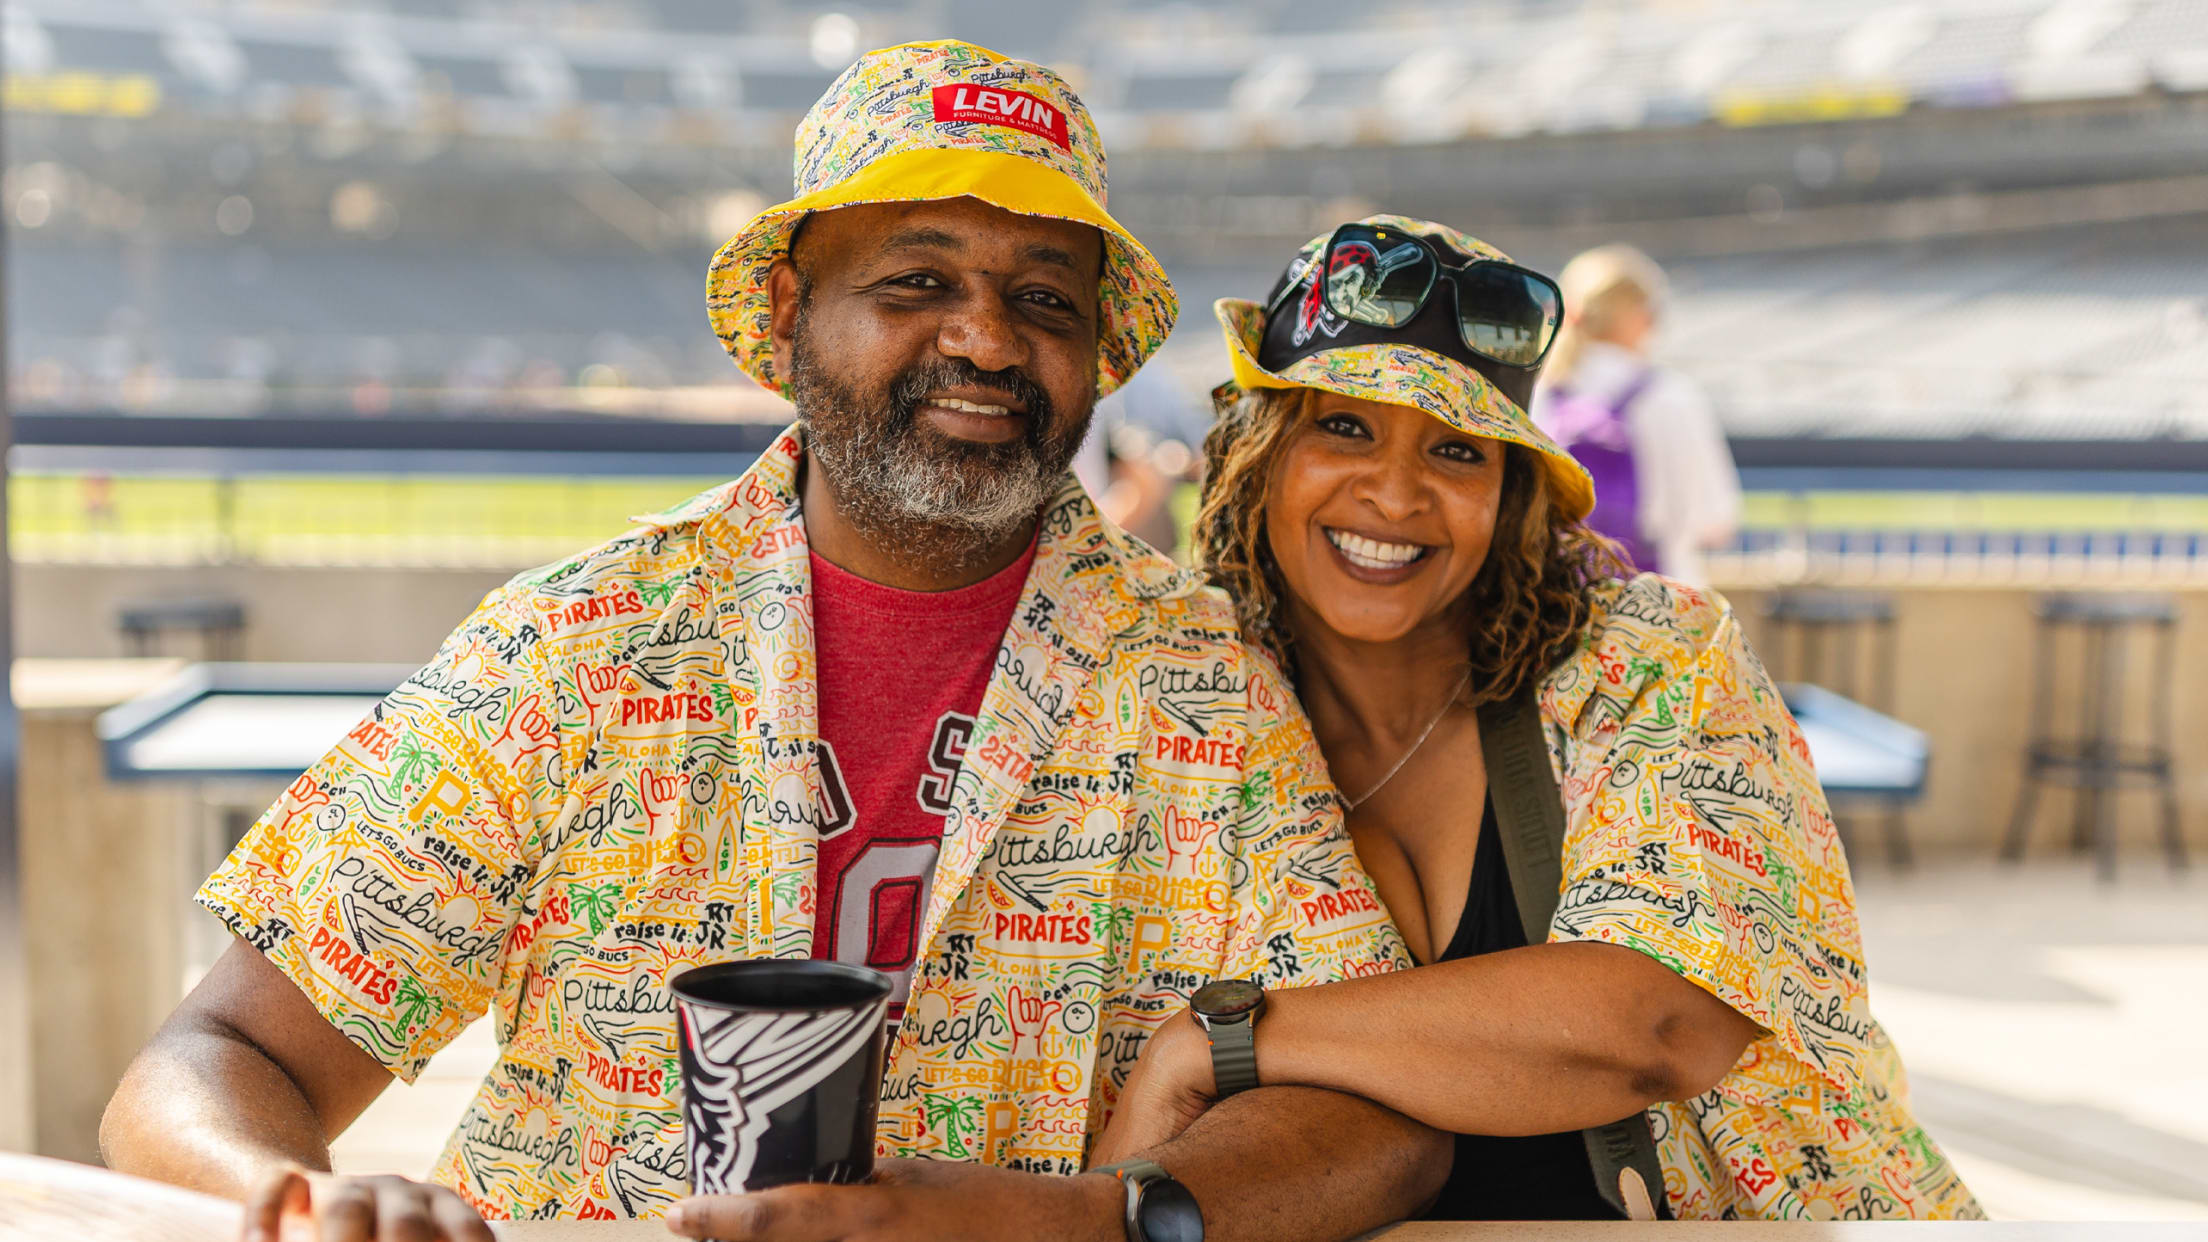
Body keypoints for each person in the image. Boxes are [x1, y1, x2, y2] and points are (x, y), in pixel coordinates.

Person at [100, 46, 1450, 1242]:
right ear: (796, 316)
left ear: (1093, 354)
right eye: (918, 280)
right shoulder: (580, 645)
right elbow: (213, 1053)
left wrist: (1090, 1220)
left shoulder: (1200, 677)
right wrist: (301, 1197)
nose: (986, 336)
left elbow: (1384, 1110)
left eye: (1045, 300)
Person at [1092, 216, 1982, 1221]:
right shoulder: (1178, 699)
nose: (1394, 492)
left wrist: (1221, 1039)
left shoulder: (1652, 659)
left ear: (1509, 493)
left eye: (1456, 450)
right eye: (1342, 427)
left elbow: (1654, 1021)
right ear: (1261, 455)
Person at [1531, 243, 1739, 587]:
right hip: (1657, 602)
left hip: (1558, 597)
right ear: (1644, 318)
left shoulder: (1539, 395)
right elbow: (1716, 521)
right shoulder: (1671, 396)